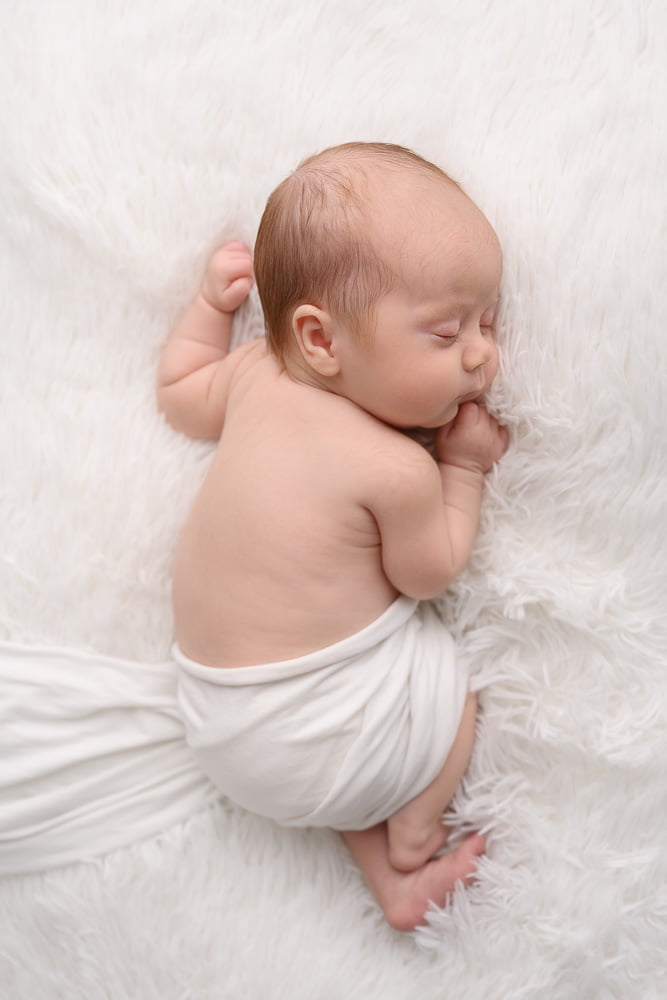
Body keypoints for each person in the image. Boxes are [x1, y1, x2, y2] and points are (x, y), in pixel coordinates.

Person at [157, 142, 508, 931]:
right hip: (306, 724)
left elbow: (178, 393)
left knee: (347, 732)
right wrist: (463, 468)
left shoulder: (252, 373)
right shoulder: (395, 468)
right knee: (447, 686)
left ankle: (387, 879)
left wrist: (211, 311)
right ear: (320, 340)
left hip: (215, 722)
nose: (482, 356)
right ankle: (412, 840)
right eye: (447, 332)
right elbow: (430, 575)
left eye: (486, 322)